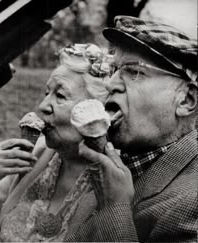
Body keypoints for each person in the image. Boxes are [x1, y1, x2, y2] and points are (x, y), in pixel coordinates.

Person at [67, 16, 198, 242]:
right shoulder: (110, 167)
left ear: (186, 100)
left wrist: (113, 206)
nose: (110, 84)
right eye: (114, 69)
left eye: (134, 71)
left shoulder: (192, 201)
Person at [0, 43, 113, 242]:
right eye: (47, 93)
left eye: (60, 95)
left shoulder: (114, 182)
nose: (43, 106)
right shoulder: (35, 154)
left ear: (97, 112)